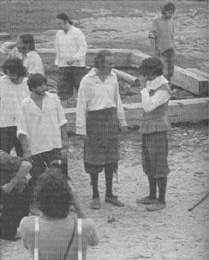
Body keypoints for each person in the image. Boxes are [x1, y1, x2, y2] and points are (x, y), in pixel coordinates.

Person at [76, 50, 128, 210]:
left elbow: (117, 99)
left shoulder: (113, 78)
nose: (112, 66)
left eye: (113, 63)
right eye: (109, 63)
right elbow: (81, 105)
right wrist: (82, 130)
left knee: (111, 161)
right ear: (99, 63)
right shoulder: (87, 80)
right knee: (94, 161)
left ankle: (110, 194)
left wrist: (122, 121)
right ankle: (95, 195)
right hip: (94, 123)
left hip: (111, 122)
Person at [19, 168, 99, 260]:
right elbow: (94, 242)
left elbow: (26, 246)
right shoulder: (85, 226)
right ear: (69, 198)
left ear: (39, 197)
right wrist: (79, 208)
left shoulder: (27, 225)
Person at [17, 73, 69, 189]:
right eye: (40, 86)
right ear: (33, 88)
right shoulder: (25, 105)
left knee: (60, 176)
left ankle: (65, 201)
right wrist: (26, 151)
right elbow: (22, 130)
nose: (44, 88)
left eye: (44, 84)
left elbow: (62, 121)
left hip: (54, 144)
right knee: (39, 178)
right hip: (36, 148)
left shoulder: (54, 99)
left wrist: (65, 140)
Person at [136, 57, 171, 211]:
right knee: (149, 161)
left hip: (158, 128)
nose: (144, 76)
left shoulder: (163, 88)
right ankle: (152, 196)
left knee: (159, 163)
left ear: (152, 72)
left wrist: (143, 89)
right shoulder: (153, 83)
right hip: (148, 126)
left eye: (146, 73)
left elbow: (149, 106)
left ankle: (161, 200)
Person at [55, 12, 87, 106]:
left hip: (77, 67)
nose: (59, 26)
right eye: (57, 24)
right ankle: (65, 109)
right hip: (64, 66)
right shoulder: (58, 34)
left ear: (66, 21)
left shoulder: (77, 32)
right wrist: (58, 63)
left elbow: (83, 48)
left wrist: (75, 58)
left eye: (60, 23)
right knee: (63, 90)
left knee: (81, 88)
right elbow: (57, 49)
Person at [0, 58, 30, 156]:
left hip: (23, 124)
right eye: (9, 73)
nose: (12, 76)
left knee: (24, 152)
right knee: (4, 154)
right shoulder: (1, 82)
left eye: (14, 73)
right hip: (5, 124)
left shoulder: (27, 83)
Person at [0, 150, 32, 240]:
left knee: (6, 233)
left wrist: (10, 185)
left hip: (13, 191)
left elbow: (26, 165)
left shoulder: (2, 157)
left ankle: (10, 230)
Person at [148, 2, 176, 82]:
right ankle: (162, 84)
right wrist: (153, 48)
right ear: (164, 11)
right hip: (161, 49)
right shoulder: (157, 20)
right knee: (163, 70)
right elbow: (152, 33)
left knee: (171, 69)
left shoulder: (171, 21)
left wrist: (173, 46)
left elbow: (172, 34)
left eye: (172, 13)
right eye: (169, 12)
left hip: (171, 48)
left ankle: (168, 83)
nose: (171, 15)